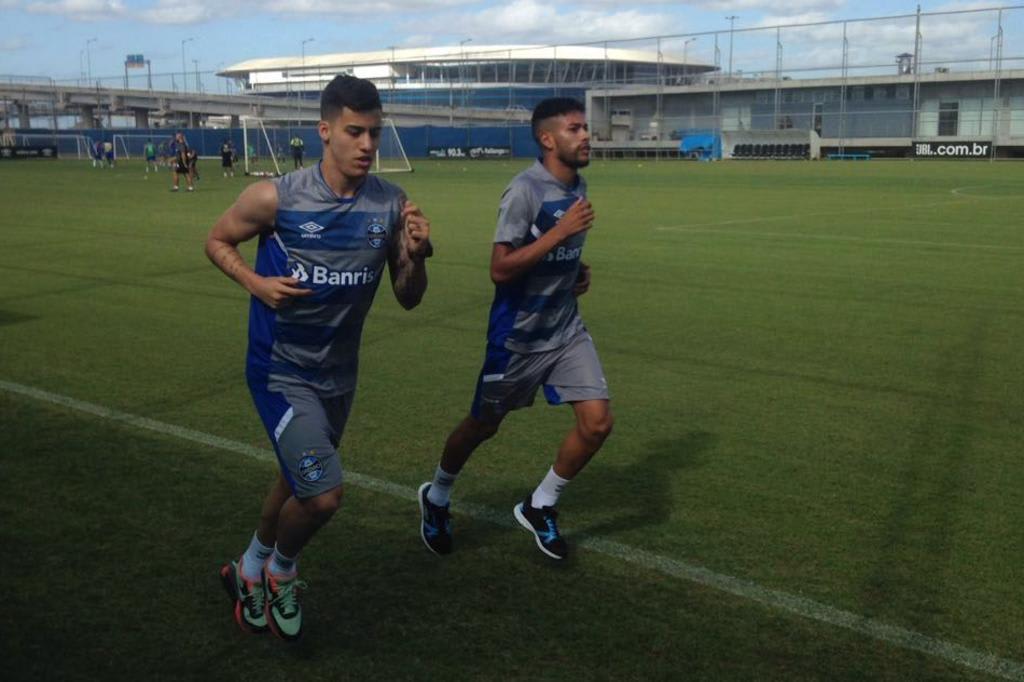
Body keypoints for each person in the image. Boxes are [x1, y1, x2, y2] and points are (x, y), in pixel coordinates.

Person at [205, 75, 432, 641]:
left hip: (339, 377)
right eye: (354, 132)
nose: (366, 145)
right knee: (324, 493)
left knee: (296, 477)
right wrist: (255, 282)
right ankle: (283, 569)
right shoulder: (276, 197)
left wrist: (417, 254)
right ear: (324, 130)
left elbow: (408, 296)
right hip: (280, 370)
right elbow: (215, 241)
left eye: (375, 133)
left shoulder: (391, 204)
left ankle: (249, 567)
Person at [418, 97, 612, 561]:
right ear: (547, 139)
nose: (586, 135)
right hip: (517, 337)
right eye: (574, 128)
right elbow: (501, 269)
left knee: (598, 422)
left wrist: (575, 270)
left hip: (565, 329)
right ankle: (438, 495)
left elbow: (553, 254)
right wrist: (559, 236)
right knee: (483, 426)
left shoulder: (578, 186)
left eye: (586, 127)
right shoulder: (524, 191)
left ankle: (540, 504)